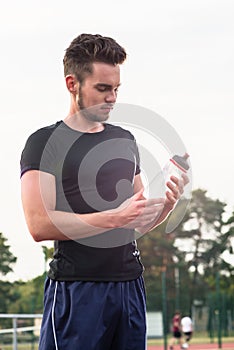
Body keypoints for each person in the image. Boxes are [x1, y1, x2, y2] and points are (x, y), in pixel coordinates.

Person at [20, 33, 188, 350]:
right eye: (102, 88)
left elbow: (136, 223)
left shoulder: (124, 139)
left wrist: (167, 203)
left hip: (130, 288)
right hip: (77, 290)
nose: (112, 98)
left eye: (116, 89)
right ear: (72, 84)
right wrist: (112, 218)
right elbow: (39, 225)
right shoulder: (43, 143)